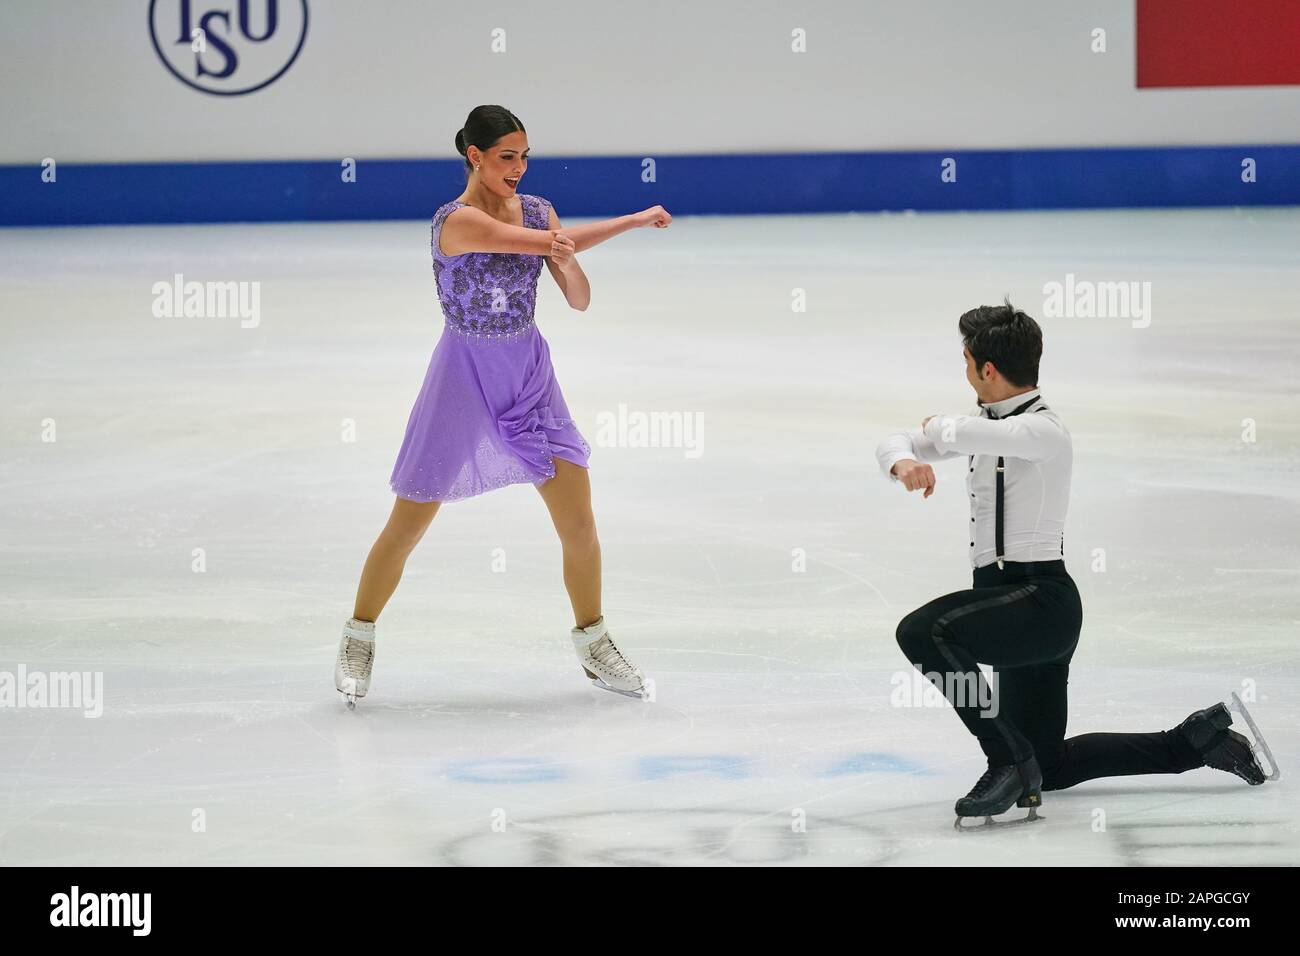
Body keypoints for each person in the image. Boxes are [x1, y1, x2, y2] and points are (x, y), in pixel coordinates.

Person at [876, 298, 1269, 827]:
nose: (964, 369)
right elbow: (898, 439)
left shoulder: (1043, 431)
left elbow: (968, 435)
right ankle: (1192, 743)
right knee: (1050, 765)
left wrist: (939, 428)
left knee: (924, 632)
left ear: (986, 369)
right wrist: (905, 460)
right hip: (1004, 604)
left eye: (966, 360)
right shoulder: (985, 424)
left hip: (1040, 601)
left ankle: (1006, 760)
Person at [336, 105, 672, 708]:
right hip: (462, 381)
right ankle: (359, 634)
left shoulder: (540, 212)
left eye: (523, 157)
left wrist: (567, 266)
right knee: (407, 526)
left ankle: (594, 641)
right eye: (504, 158)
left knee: (579, 524)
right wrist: (635, 218)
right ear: (475, 156)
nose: (516, 169)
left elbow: (578, 299)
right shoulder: (455, 222)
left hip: (528, 377)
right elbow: (541, 243)